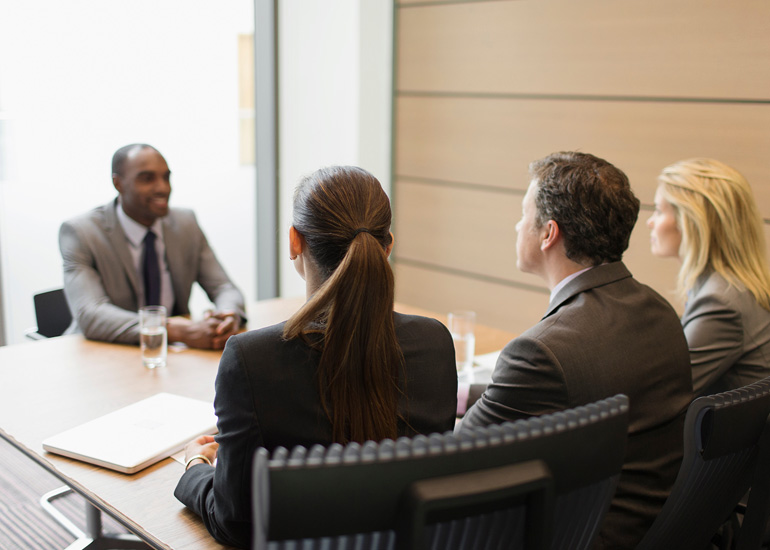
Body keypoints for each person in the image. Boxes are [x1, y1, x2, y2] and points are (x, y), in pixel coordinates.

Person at [174, 166, 457, 548]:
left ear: (295, 241)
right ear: (387, 245)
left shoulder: (252, 360)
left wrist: (196, 466)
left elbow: (234, 524)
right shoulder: (434, 342)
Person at [456, 151, 692, 549]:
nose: (517, 225)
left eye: (523, 213)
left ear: (548, 233)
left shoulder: (542, 350)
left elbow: (456, 459)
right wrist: (465, 394)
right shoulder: (659, 311)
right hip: (652, 530)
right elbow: (577, 385)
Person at [59, 143, 245, 349]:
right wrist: (177, 330)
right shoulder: (81, 233)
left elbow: (224, 288)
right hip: (106, 351)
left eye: (166, 177)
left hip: (173, 355)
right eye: (147, 179)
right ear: (118, 183)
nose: (163, 188)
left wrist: (227, 316)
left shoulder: (186, 223)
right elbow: (91, 314)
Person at [647, 158, 770, 396]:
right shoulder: (736, 286)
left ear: (691, 222)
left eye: (660, 211)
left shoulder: (721, 301)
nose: (650, 221)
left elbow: (664, 395)